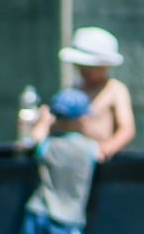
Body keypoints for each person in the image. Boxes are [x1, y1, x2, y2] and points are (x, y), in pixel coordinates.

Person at [19, 88, 99, 234]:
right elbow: (104, 151)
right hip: (69, 217)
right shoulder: (88, 148)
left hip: (38, 211)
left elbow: (33, 141)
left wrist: (42, 122)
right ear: (82, 119)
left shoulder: (48, 146)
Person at [30, 27, 136, 163]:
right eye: (80, 65)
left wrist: (110, 146)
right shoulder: (74, 90)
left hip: (100, 159)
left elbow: (127, 129)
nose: (83, 70)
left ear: (105, 65)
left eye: (90, 67)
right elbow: (56, 123)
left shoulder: (115, 89)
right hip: (71, 157)